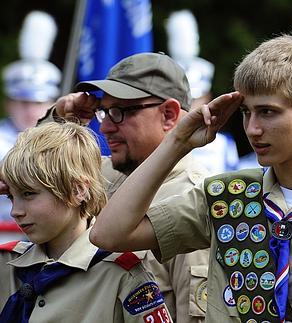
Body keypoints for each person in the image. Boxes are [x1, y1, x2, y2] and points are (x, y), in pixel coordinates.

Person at [89, 34, 292, 323]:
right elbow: (109, 234)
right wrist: (176, 143)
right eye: (246, 112)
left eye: (268, 112)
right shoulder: (226, 197)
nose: (253, 129)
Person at [39, 52, 209, 323]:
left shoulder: (194, 200)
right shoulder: (104, 174)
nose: (104, 127)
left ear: (169, 114)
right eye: (103, 111)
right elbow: (25, 179)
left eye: (120, 112)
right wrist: (58, 120)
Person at [0, 122, 172, 322]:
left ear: (78, 190)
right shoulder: (7, 265)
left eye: (28, 194)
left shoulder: (121, 275)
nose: (15, 211)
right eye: (11, 197)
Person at [0, 11, 61, 243]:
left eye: (38, 103)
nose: (31, 111)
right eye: (23, 102)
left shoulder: (64, 141)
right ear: (9, 103)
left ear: (52, 103)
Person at [166, 9, 240, 175]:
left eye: (195, 99)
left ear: (207, 98)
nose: (189, 106)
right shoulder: (161, 141)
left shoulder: (223, 144)